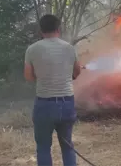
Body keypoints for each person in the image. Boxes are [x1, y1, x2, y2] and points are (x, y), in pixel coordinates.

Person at [24, 14, 81, 166]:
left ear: (41, 30)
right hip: (67, 103)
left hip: (44, 105)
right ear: (58, 28)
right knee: (67, 146)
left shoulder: (32, 49)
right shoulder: (69, 48)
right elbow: (76, 72)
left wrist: (43, 76)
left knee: (43, 147)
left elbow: (29, 76)